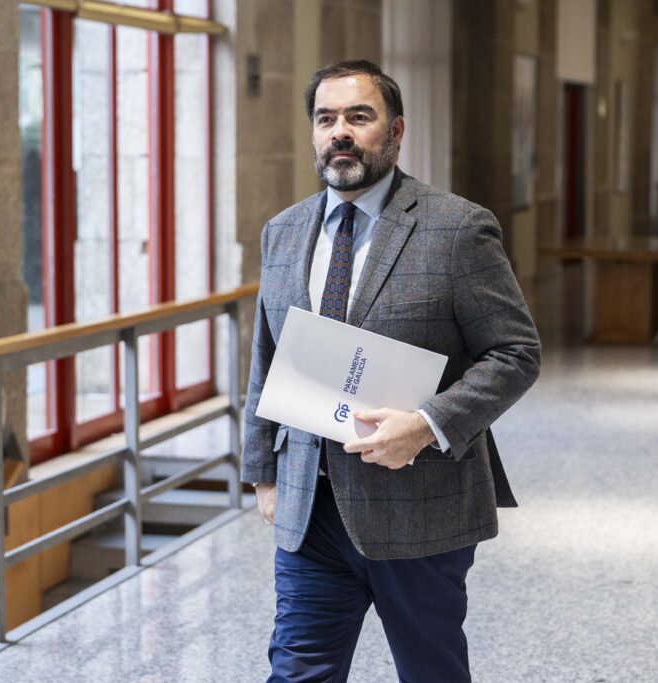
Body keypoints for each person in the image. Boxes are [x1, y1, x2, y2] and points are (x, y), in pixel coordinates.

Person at [241, 60, 540, 683]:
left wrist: (428, 424)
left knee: (431, 672)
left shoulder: (456, 228)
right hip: (310, 507)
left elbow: (515, 353)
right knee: (296, 673)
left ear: (396, 131)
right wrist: (263, 472)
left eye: (359, 116)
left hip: (420, 507)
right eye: (326, 119)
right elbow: (267, 358)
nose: (340, 132)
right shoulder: (283, 232)